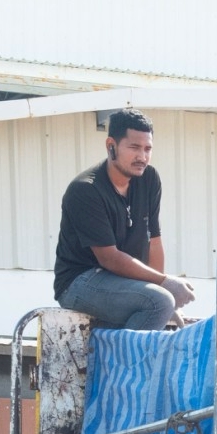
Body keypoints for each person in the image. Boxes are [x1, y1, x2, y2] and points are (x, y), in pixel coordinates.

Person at [52, 110, 191, 330]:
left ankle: (122, 349)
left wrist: (163, 286)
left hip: (123, 280)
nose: (142, 157)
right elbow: (110, 258)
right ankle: (124, 354)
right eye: (134, 147)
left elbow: (154, 241)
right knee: (159, 302)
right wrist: (163, 284)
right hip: (79, 281)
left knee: (163, 301)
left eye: (148, 149)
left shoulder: (149, 179)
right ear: (111, 146)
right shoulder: (86, 189)